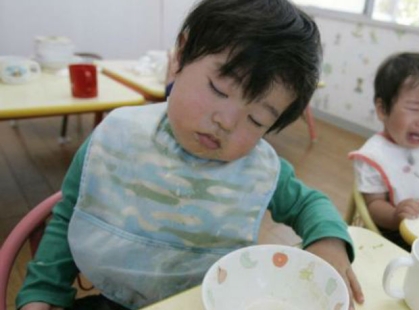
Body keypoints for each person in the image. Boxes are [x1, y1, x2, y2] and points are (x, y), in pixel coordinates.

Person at [16, 0, 364, 309]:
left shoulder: (257, 168)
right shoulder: (117, 135)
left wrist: (329, 241)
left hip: (204, 300)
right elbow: (72, 218)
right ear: (179, 57)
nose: (226, 122)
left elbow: (308, 203)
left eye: (256, 119)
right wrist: (41, 294)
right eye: (219, 89)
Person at [348, 52, 419, 250]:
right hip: (398, 235)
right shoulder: (373, 155)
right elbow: (374, 205)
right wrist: (395, 216)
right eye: (414, 108)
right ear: (383, 109)